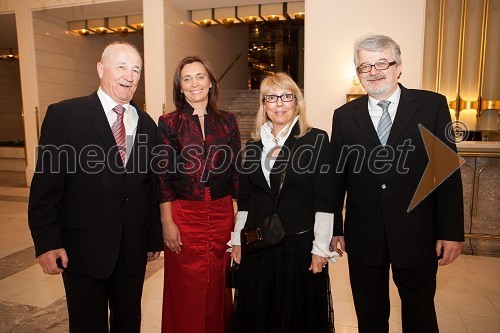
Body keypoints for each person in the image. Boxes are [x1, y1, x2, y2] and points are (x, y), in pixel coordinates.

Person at [330, 34, 464, 333]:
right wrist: (335, 228)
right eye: (366, 66)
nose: (374, 71)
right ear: (358, 73)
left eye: (382, 63)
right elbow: (337, 177)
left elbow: (446, 174)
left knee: (420, 314)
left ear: (398, 67)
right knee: (369, 314)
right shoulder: (344, 116)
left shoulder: (432, 105)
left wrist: (451, 232)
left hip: (417, 232)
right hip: (363, 236)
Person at [28, 41, 163, 332]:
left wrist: (153, 238)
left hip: (131, 251)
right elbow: (46, 185)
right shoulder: (65, 115)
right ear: (101, 69)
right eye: (122, 66)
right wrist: (47, 242)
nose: (130, 74)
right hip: (82, 249)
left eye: (136, 69)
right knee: (87, 324)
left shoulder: (146, 124)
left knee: (129, 323)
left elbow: (148, 186)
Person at [230, 72, 337, 333]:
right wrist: (237, 240)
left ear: (297, 101)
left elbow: (325, 198)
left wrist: (320, 248)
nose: (279, 103)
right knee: (259, 314)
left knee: (295, 317)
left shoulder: (315, 139)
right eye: (272, 97)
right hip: (258, 244)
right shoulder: (253, 145)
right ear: (264, 104)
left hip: (298, 245)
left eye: (286, 96)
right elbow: (246, 199)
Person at [157, 56, 241, 333]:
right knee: (185, 285)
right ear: (180, 87)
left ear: (210, 82)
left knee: (218, 284)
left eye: (200, 76)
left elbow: (236, 175)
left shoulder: (228, 121)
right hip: (184, 214)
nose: (195, 83)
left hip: (221, 214)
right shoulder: (169, 123)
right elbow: (163, 176)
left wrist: (239, 225)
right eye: (187, 78)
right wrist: (167, 223)